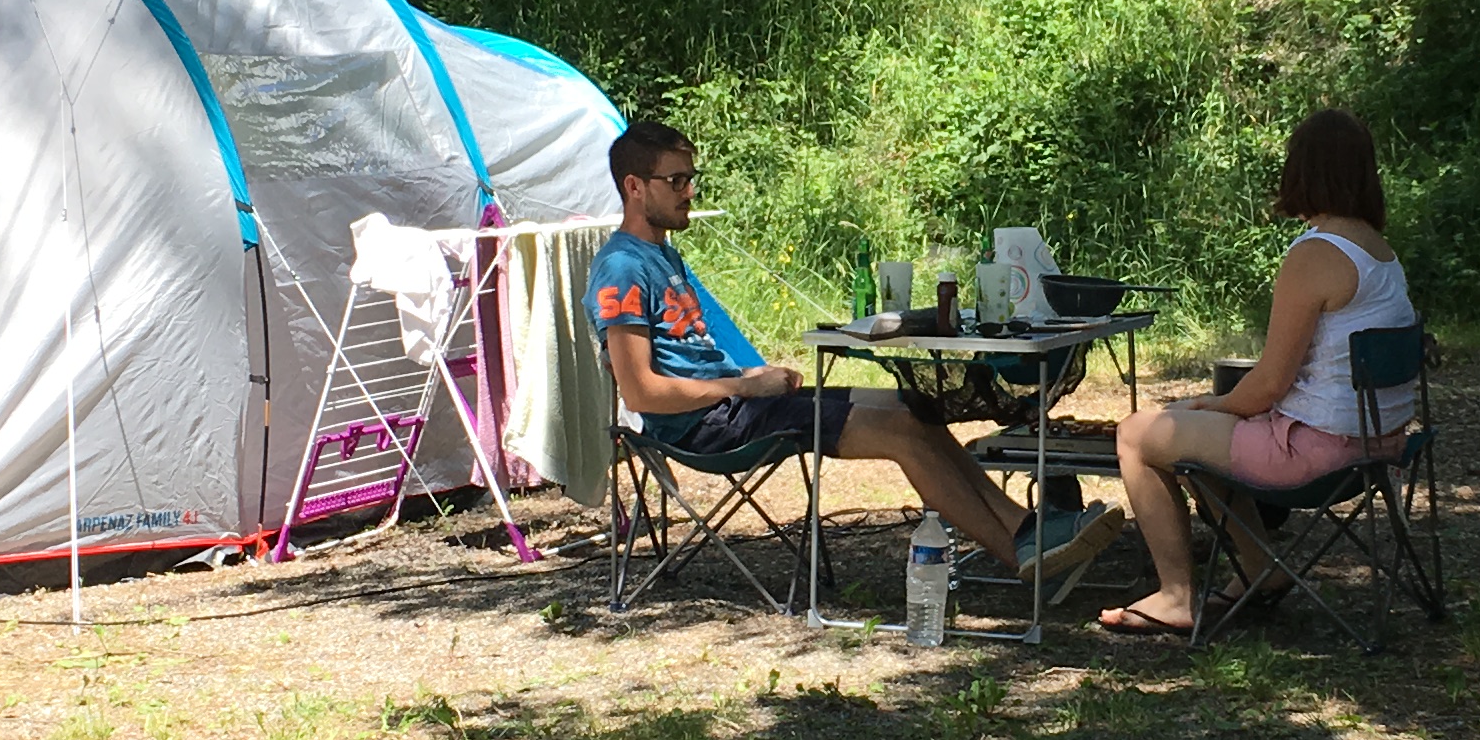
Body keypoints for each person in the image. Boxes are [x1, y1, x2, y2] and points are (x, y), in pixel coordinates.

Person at [592, 120, 1122, 583]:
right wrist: (744, 385)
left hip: (732, 407)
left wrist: (750, 373)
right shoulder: (622, 267)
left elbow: (687, 356)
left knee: (915, 406)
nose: (689, 192)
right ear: (635, 187)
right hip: (704, 427)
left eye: (691, 179)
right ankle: (1020, 556)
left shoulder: (662, 255)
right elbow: (642, 392)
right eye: (676, 181)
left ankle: (1029, 532)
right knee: (900, 433)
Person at [1098, 107, 1419, 638]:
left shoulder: (1317, 253)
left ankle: (1176, 596)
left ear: (1302, 172)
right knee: (1206, 438)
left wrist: (1209, 405)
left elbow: (1270, 384)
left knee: (1136, 433)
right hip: (1380, 443)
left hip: (1317, 453)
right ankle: (1259, 569)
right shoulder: (1380, 253)